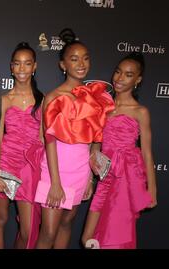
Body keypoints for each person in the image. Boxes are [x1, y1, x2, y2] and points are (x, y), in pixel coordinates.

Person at [34, 28, 114, 249]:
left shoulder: (96, 97)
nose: (81, 64)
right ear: (63, 65)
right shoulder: (54, 97)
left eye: (85, 58)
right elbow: (49, 142)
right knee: (48, 232)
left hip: (81, 171)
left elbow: (96, 139)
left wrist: (90, 175)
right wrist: (55, 182)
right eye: (74, 59)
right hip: (56, 171)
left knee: (67, 224)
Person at [81, 52, 157, 249]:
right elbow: (97, 142)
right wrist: (93, 160)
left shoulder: (140, 111)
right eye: (118, 72)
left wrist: (152, 191)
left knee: (111, 239)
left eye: (128, 74)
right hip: (106, 176)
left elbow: (147, 153)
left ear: (137, 80)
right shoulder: (103, 106)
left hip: (126, 178)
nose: (120, 78)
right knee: (88, 238)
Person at [0, 42, 44, 249]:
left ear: (34, 67)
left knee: (29, 230)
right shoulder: (4, 100)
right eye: (17, 64)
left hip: (30, 169)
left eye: (27, 63)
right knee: (0, 219)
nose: (22, 69)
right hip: (5, 165)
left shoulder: (43, 100)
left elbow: (42, 141)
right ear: (11, 67)